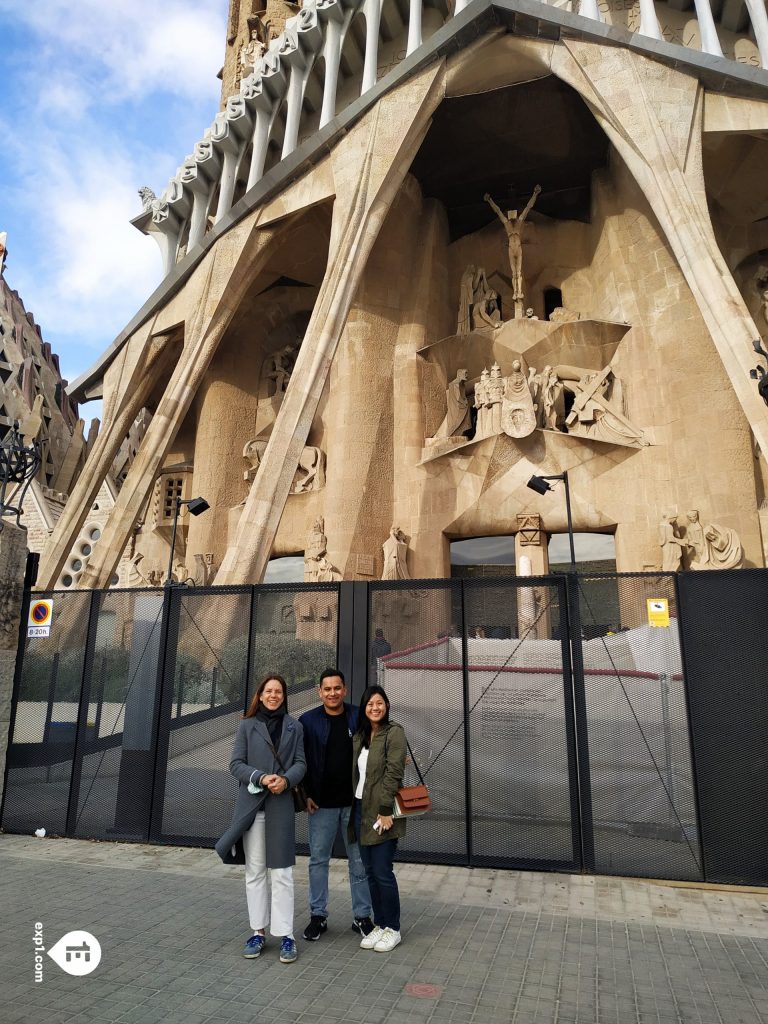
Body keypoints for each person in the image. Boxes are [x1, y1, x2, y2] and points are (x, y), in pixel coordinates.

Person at [215, 674, 306, 964]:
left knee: (282, 873)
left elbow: (302, 763)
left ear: (284, 696)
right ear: (260, 694)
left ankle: (286, 935)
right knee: (254, 872)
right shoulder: (246, 725)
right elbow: (235, 764)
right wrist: (260, 776)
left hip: (280, 806)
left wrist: (286, 780)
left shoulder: (295, 727)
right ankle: (258, 931)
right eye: (268, 691)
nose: (273, 695)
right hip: (252, 809)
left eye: (278, 691)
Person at [299, 669, 373, 942]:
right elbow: (301, 760)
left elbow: (376, 745)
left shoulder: (358, 715)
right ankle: (318, 916)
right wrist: (305, 793)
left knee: (358, 862)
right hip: (321, 805)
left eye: (337, 688)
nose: (332, 693)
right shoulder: (307, 721)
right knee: (318, 861)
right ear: (320, 692)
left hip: (354, 805)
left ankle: (362, 917)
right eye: (327, 689)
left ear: (345, 690)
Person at [349, 685, 407, 953]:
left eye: (379, 703)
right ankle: (380, 925)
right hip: (361, 810)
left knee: (383, 871)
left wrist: (385, 811)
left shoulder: (394, 732)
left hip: (382, 811)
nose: (375, 707)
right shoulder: (361, 735)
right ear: (364, 707)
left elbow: (394, 772)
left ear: (386, 705)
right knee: (370, 871)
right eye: (370, 703)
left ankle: (393, 928)